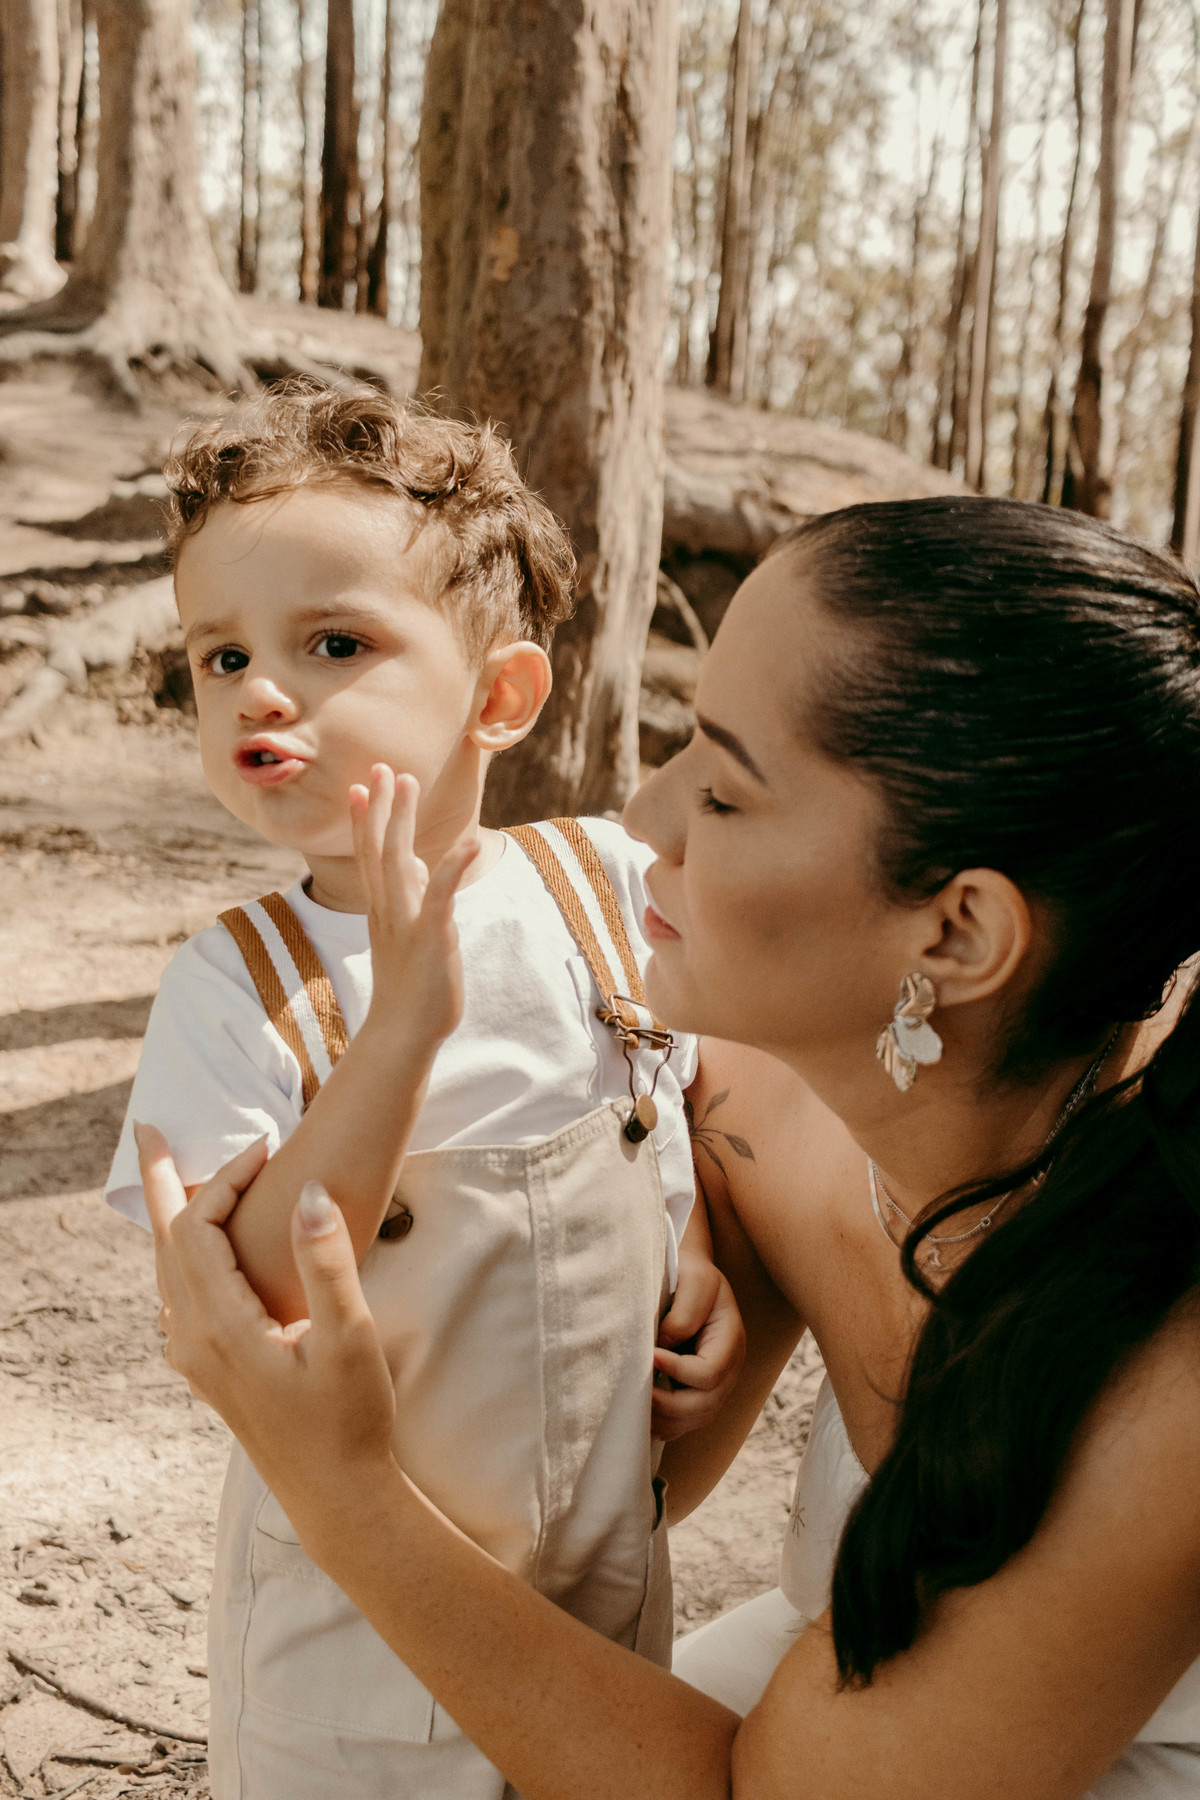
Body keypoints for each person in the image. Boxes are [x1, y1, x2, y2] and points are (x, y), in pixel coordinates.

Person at [140, 495, 1200, 1799]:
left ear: (959, 933)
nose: (642, 815)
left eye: (725, 788)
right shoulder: (765, 1103)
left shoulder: (1159, 1402)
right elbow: (645, 1461)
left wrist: (343, 1491)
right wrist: (687, 1262)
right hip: (846, 1700)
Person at [107, 384, 743, 1800]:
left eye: (334, 643)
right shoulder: (235, 988)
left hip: (597, 1588)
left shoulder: (601, 889)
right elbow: (247, 1301)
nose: (261, 691)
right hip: (353, 1627)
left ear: (499, 699)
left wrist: (698, 1260)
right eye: (221, 656)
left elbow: (670, 1110)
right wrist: (397, 1031)